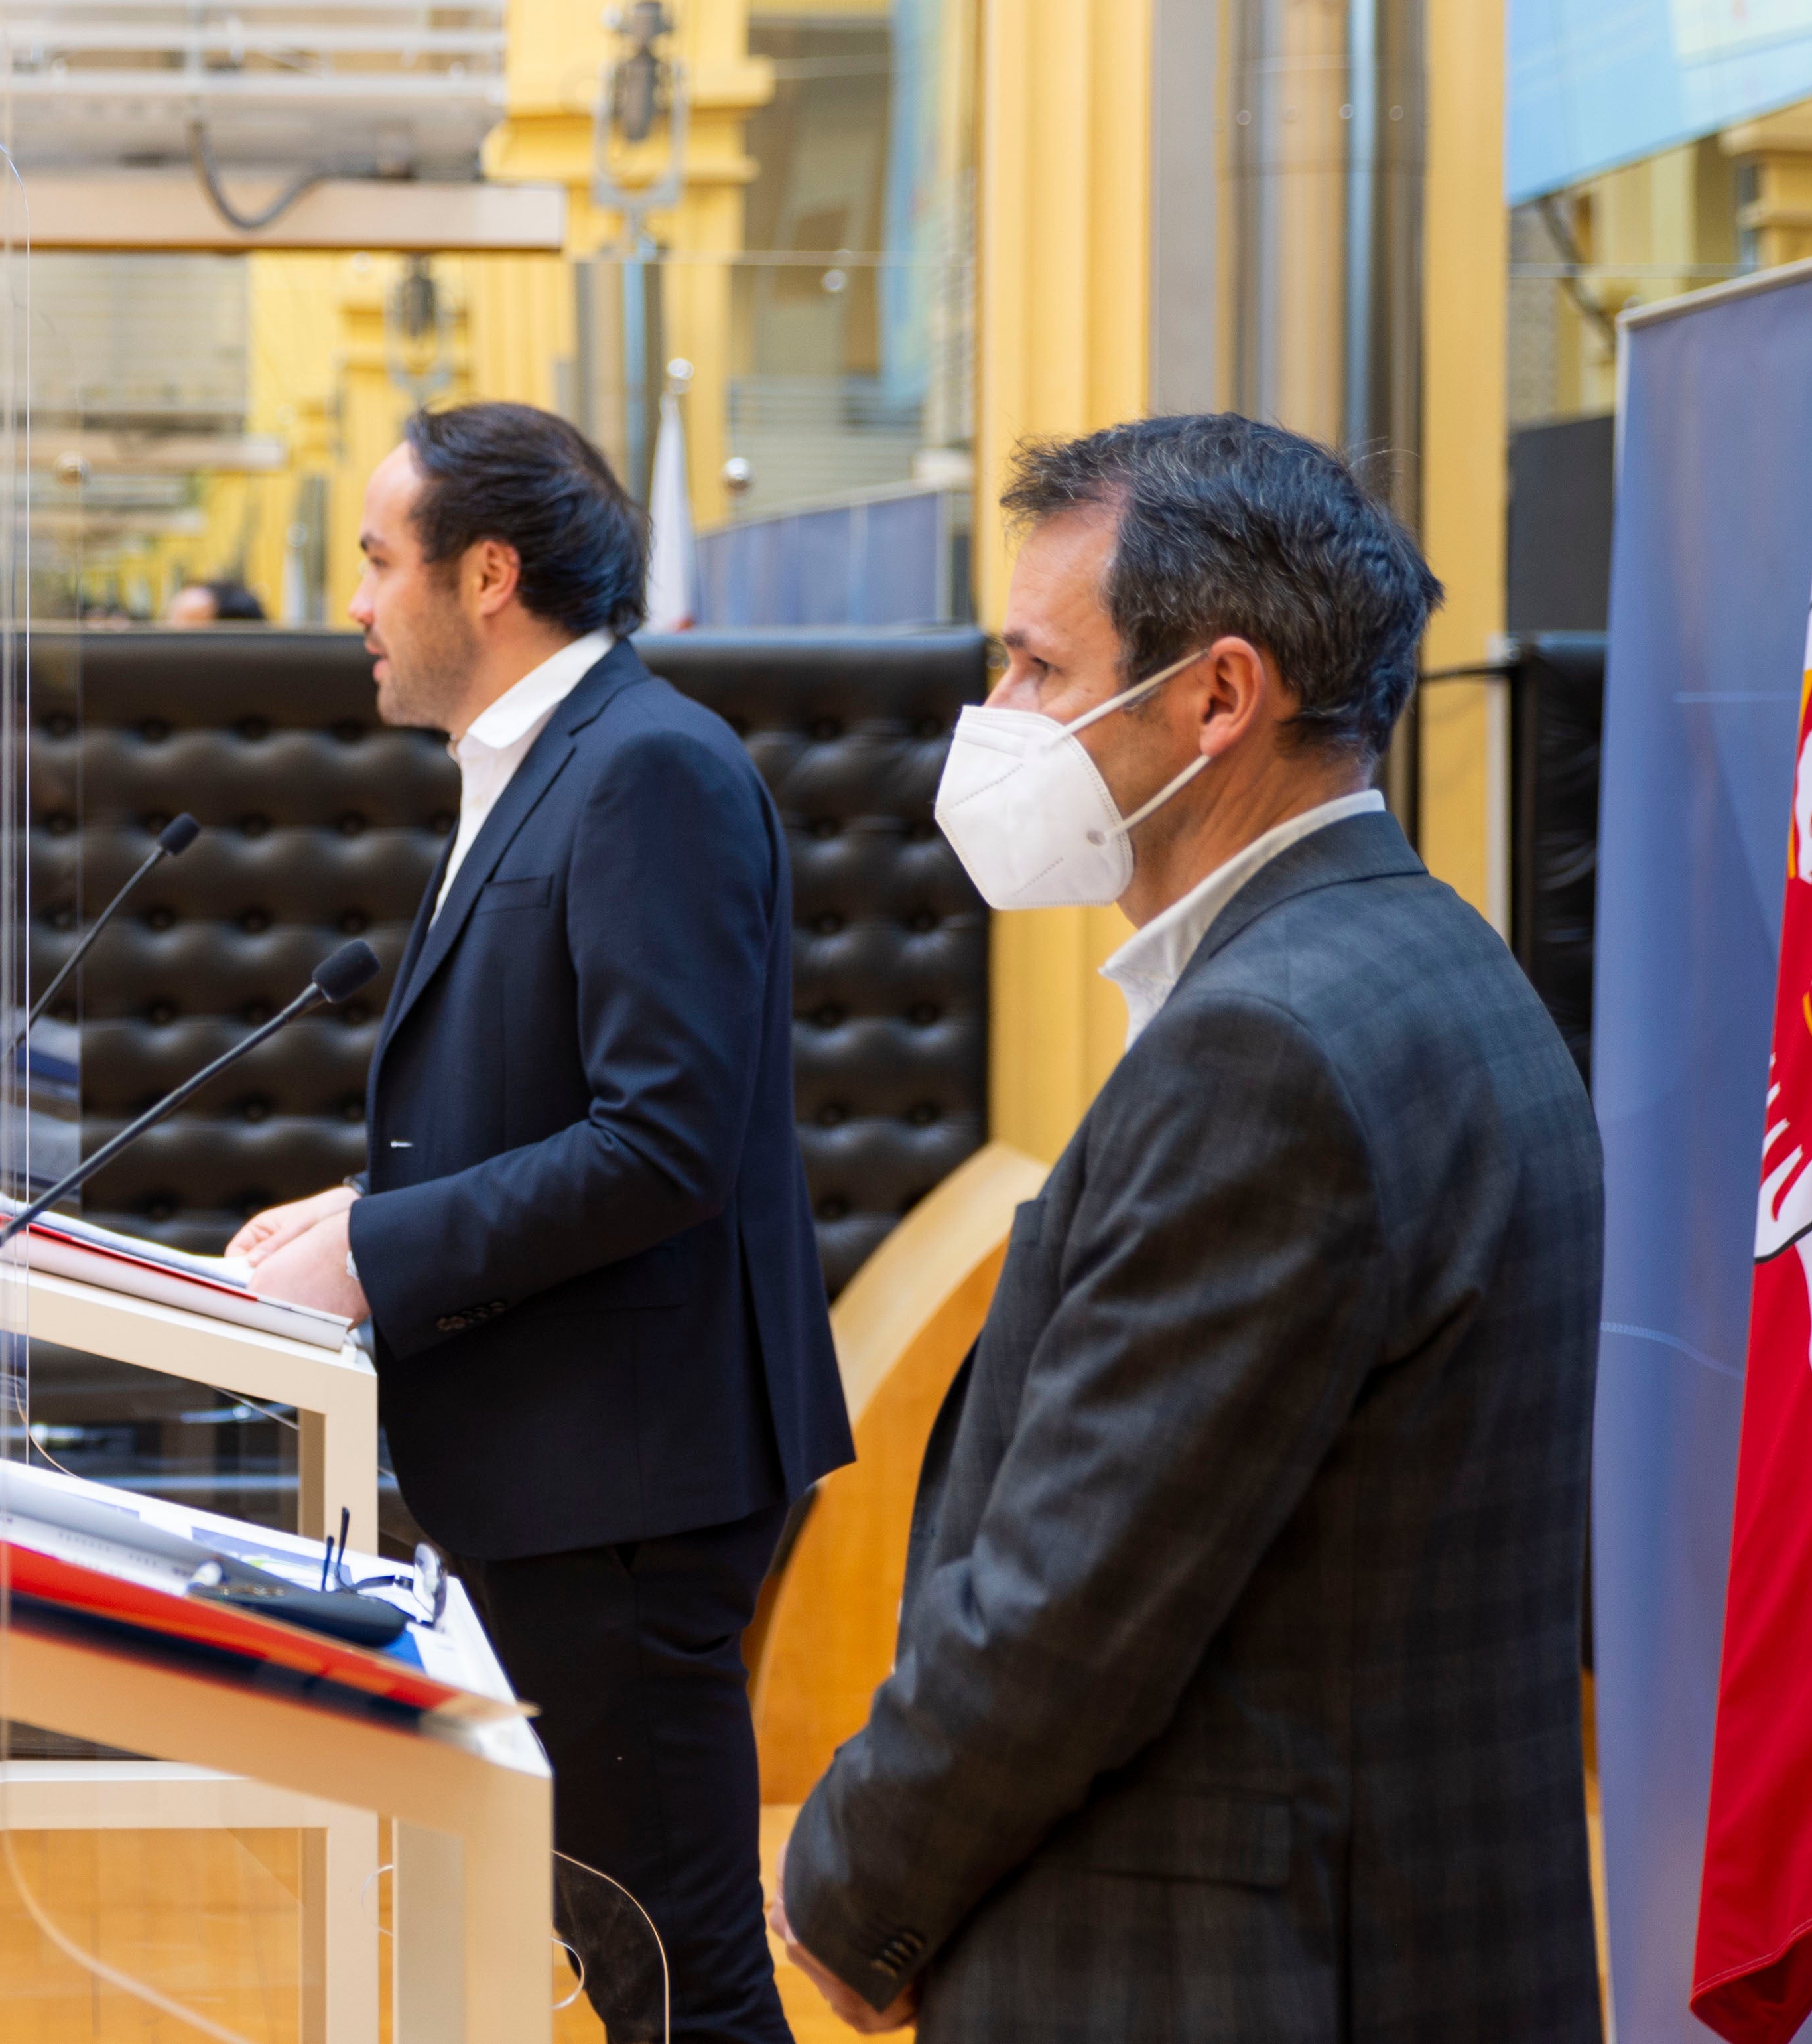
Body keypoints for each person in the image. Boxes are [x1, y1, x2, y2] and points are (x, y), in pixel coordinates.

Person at [770, 414, 1604, 2041]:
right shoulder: (1438, 964)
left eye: (1035, 668)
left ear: (1219, 696)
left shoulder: (1265, 1052)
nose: (997, 722)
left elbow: (1072, 1604)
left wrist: (850, 1880)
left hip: (1221, 1967)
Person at [238, 401, 854, 2044]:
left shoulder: (646, 768)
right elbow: (559, 1091)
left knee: (678, 1972)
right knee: (620, 1940)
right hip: (558, 1463)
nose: (356, 601)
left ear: (488, 572)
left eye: (378, 561)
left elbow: (663, 1141)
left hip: (624, 1479)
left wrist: (380, 1253)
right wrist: (376, 1201)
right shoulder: (538, 764)